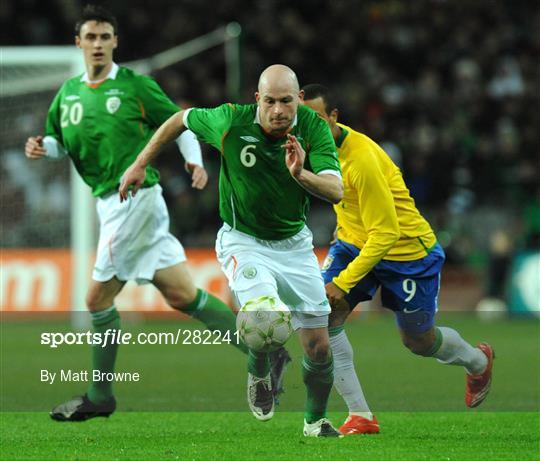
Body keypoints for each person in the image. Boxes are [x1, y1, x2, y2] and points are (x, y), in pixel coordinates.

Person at [24, 5, 290, 422]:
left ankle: (100, 395)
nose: (97, 44)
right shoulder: (67, 95)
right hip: (114, 202)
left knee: (96, 298)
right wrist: (44, 147)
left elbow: (178, 121)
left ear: (115, 42)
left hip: (133, 199)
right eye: (90, 37)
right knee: (184, 295)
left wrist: (194, 160)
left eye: (104, 37)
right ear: (78, 43)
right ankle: (267, 352)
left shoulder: (133, 85)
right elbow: (60, 142)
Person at [120, 65, 344, 437]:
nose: (278, 111)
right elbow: (180, 119)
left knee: (319, 347)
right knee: (262, 319)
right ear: (257, 99)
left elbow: (335, 191)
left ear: (298, 100)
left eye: (286, 101)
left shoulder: (313, 128)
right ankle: (259, 369)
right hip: (245, 241)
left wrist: (300, 174)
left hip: (294, 245)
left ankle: (315, 422)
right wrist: (141, 163)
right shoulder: (229, 121)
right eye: (270, 101)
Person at [302, 84, 494, 435]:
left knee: (418, 341)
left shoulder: (361, 160)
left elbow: (386, 233)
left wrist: (342, 282)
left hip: (406, 252)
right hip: (354, 243)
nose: (307, 127)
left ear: (333, 117)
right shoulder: (311, 147)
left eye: (315, 119)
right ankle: (360, 415)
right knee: (325, 316)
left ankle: (478, 361)